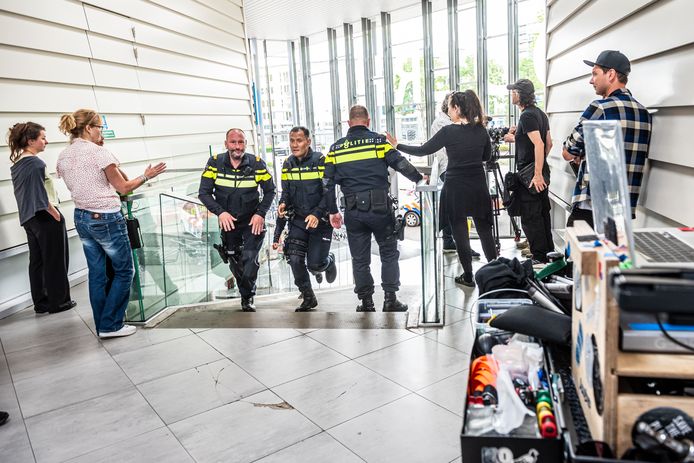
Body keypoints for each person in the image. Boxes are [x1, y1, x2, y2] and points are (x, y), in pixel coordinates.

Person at [57, 109, 166, 338]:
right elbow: (124, 187)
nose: (101, 131)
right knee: (125, 271)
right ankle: (111, 324)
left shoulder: (64, 156)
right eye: (99, 127)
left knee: (97, 275)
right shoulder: (99, 153)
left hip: (81, 217)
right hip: (106, 218)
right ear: (88, 128)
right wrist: (147, 176)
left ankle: (103, 324)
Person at [387, 90, 497, 287]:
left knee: (460, 232)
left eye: (450, 107)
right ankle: (496, 272)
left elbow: (423, 150)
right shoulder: (481, 130)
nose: (448, 110)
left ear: (457, 108)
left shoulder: (448, 132)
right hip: (477, 184)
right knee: (484, 230)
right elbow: (486, 157)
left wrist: (397, 145)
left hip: (455, 186)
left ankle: (468, 276)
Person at [325, 105, 422, 312]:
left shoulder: (335, 149)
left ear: (349, 123)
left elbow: (327, 183)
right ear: (368, 121)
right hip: (380, 210)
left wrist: (333, 211)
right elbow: (401, 164)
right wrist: (419, 178)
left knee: (360, 259)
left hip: (353, 212)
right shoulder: (379, 142)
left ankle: (366, 303)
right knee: (388, 254)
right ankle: (390, 300)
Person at [562, 50, 652, 228]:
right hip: (621, 211)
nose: (591, 80)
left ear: (611, 74)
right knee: (612, 256)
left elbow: (567, 152)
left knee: (580, 256)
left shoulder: (600, 108)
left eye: (595, 74)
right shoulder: (644, 114)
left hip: (591, 208)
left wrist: (581, 153)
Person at [198, 128, 276, 312]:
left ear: (245, 144)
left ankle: (248, 296)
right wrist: (220, 213)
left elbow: (270, 190)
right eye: (233, 142)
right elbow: (204, 193)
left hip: (252, 222)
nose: (237, 146)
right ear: (226, 144)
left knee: (249, 259)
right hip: (228, 222)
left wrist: (260, 214)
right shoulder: (215, 163)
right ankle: (246, 295)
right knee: (234, 261)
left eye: (240, 142)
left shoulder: (257, 164)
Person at [8, 122, 75, 314]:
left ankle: (41, 302)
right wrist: (55, 214)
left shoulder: (18, 164)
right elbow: (40, 194)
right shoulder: (36, 163)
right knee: (55, 260)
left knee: (37, 261)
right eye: (43, 138)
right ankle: (59, 302)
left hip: (29, 219)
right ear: (30, 141)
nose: (46, 141)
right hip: (45, 216)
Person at [276, 126, 337, 312]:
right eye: (292, 141)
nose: (295, 145)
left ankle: (328, 261)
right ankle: (308, 296)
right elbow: (286, 192)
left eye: (299, 140)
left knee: (314, 264)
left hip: (320, 221)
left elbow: (328, 193)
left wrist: (317, 213)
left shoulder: (321, 161)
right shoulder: (287, 164)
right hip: (298, 221)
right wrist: (283, 203)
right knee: (294, 258)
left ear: (308, 141)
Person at [503, 79, 554, 263]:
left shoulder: (526, 116)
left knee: (530, 217)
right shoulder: (540, 114)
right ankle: (548, 256)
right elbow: (549, 143)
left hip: (531, 177)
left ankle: (539, 259)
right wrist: (516, 137)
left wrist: (536, 172)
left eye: (513, 91)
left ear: (520, 95)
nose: (511, 94)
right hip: (540, 173)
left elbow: (540, 144)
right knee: (542, 215)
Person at [432, 93, 481, 259]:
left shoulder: (451, 123)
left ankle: (451, 242)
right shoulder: (442, 124)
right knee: (458, 211)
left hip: (454, 169)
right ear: (452, 107)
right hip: (451, 170)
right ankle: (459, 246)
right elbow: (442, 152)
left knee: (454, 209)